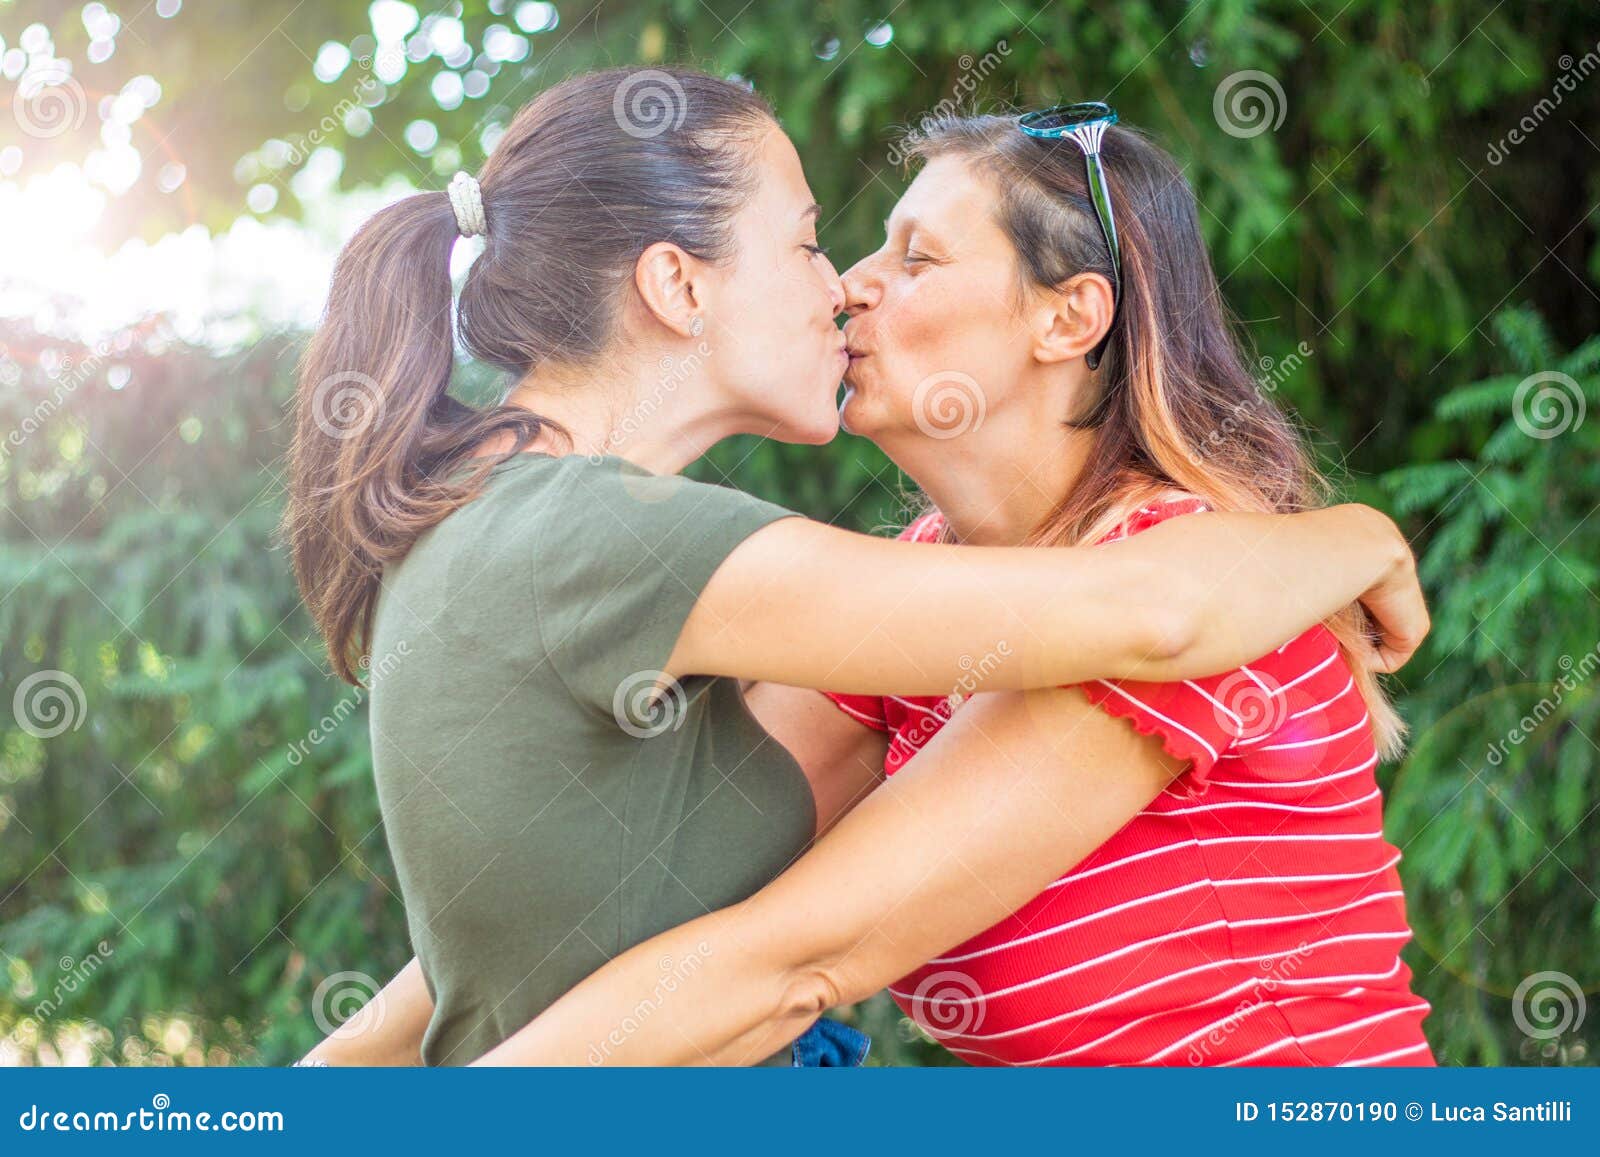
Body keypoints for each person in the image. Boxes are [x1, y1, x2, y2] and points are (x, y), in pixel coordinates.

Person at [286, 71, 1428, 1068]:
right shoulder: (933, 595)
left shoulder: (1198, 587)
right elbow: (646, 892)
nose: (849, 285)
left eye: (914, 256)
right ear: (675, 286)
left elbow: (791, 957)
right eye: (833, 244)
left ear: (1067, 318)